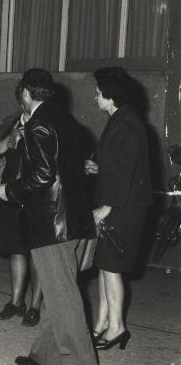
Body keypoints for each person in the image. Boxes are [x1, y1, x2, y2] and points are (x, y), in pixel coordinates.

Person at [0, 69, 96, 365]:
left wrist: (9, 190)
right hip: (74, 218)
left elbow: (42, 175)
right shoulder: (68, 121)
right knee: (57, 293)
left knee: (64, 301)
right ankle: (44, 357)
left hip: (53, 222)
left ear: (25, 93)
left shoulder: (39, 123)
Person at [84, 66, 152, 351]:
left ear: (111, 96)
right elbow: (119, 166)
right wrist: (98, 168)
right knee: (104, 265)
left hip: (123, 207)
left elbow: (126, 172)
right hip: (117, 202)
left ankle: (117, 328)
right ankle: (102, 323)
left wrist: (107, 207)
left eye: (98, 92)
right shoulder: (118, 119)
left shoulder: (127, 124)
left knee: (112, 268)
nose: (95, 97)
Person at [0, 101, 43, 327]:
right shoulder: (13, 126)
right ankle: (16, 302)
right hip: (11, 193)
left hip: (34, 194)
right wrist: (12, 135)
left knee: (37, 252)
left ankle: (35, 306)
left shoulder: (43, 126)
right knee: (16, 250)